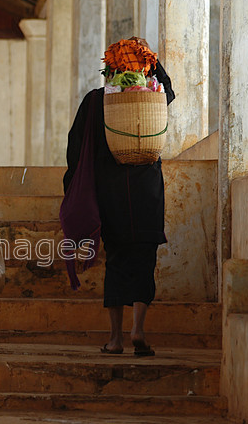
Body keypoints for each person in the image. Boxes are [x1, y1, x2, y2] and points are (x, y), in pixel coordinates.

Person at [62, 45, 174, 357]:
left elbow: (75, 146)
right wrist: (153, 64)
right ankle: (138, 328)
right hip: (147, 191)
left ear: (110, 69)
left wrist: (74, 183)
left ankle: (115, 338)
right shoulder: (154, 95)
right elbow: (170, 90)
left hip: (111, 193)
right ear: (147, 68)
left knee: (117, 262)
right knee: (144, 261)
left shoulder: (97, 101)